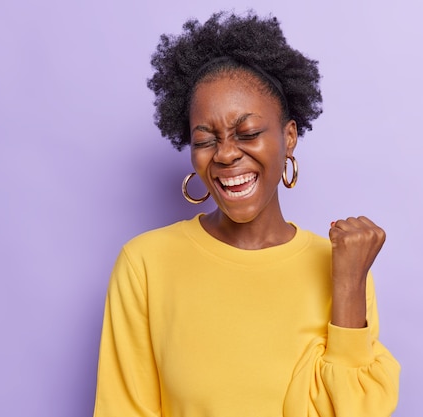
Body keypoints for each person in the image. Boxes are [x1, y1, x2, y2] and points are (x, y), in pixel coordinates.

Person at [93, 11, 400, 417]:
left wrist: (347, 286)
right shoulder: (146, 264)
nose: (225, 154)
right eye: (205, 140)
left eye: (249, 133)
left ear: (288, 138)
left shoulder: (343, 266)